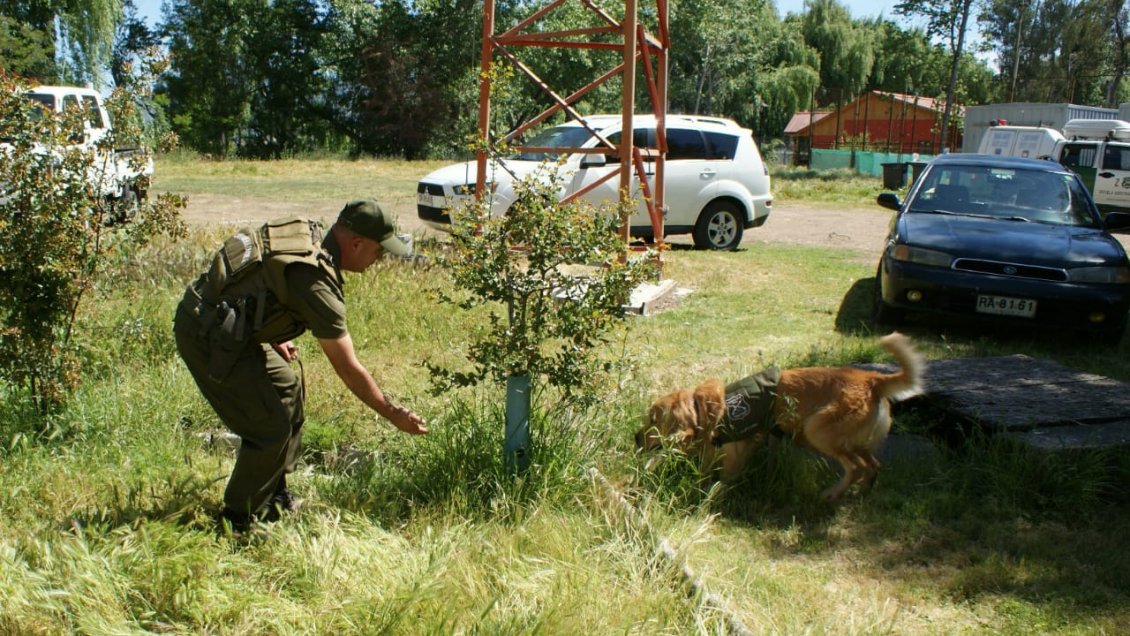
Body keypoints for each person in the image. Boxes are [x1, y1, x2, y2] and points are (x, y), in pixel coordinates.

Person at [174, 200, 428, 532]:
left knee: (287, 391)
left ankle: (272, 496)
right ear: (356, 243)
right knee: (269, 429)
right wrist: (392, 413)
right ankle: (236, 521)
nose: (378, 261)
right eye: (378, 252)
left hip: (230, 325)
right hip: (208, 335)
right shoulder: (317, 285)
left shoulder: (307, 236)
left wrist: (265, 327)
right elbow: (348, 369)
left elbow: (257, 276)